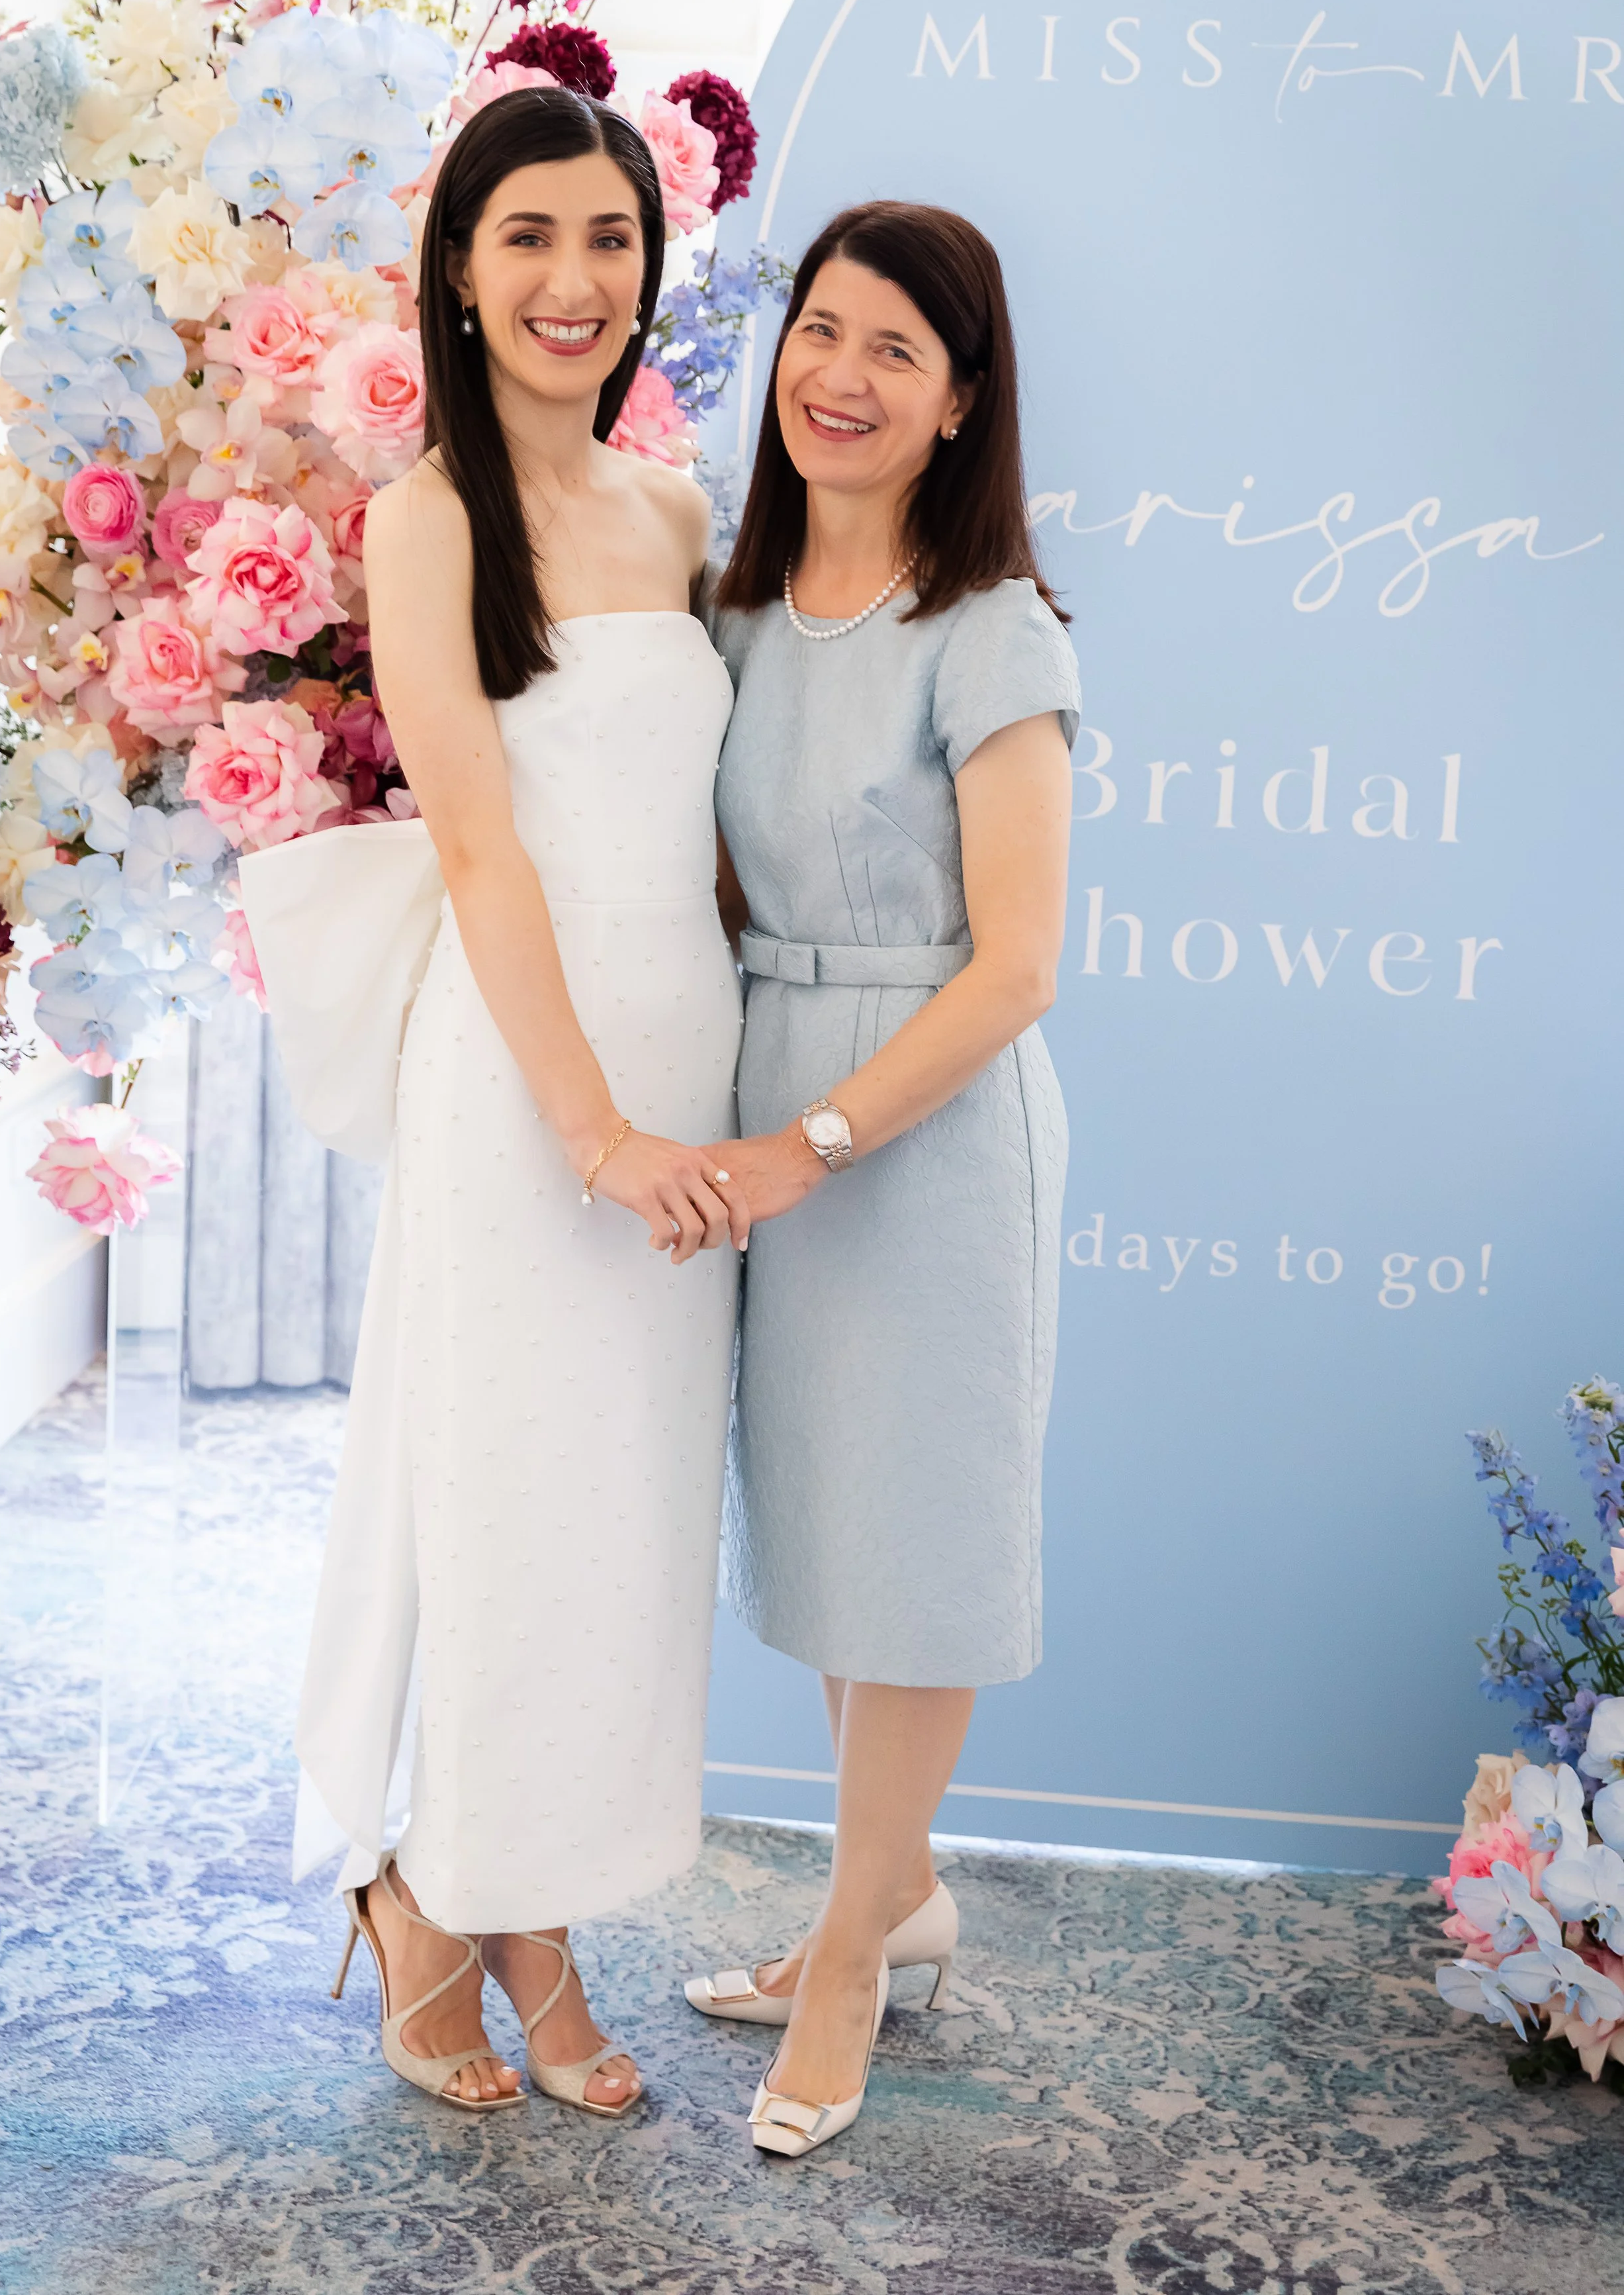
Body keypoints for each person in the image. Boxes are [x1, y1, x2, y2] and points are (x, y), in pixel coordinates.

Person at [290, 87, 750, 2115]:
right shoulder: (426, 517)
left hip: (690, 1061)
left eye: (611, 239)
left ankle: (504, 1911)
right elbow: (481, 851)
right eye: (530, 238)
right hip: (525, 1087)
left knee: (618, 1534)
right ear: (461, 273)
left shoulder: (669, 510)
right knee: (505, 1514)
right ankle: (442, 1910)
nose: (575, 281)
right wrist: (590, 1129)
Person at [686, 201, 1079, 2157]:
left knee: (915, 1552)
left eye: (893, 352)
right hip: (769, 1078)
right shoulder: (733, 604)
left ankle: (850, 1953)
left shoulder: (990, 626)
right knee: (833, 1532)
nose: (837, 375)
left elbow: (1017, 962)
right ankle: (890, 1893)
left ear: (957, 402)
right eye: (818, 332)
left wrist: (810, 1139)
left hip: (915, 1125)